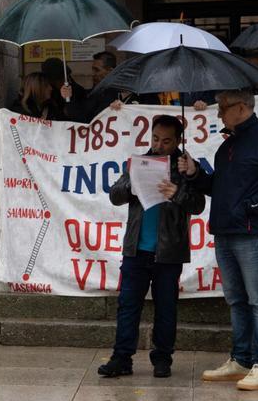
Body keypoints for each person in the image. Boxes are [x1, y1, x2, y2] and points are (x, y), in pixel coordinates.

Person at [177, 89, 258, 391]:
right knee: (236, 300)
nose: (219, 114)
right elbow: (218, 187)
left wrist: (248, 207)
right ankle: (240, 359)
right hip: (224, 231)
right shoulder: (226, 147)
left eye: (224, 108)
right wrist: (195, 172)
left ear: (241, 107)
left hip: (252, 233)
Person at [98, 115, 205, 379]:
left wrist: (177, 192)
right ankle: (121, 358)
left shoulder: (186, 168)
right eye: (156, 138)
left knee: (166, 308)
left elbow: (199, 205)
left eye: (167, 141)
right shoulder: (139, 163)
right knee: (128, 305)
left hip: (169, 252)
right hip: (136, 250)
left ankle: (162, 359)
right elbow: (114, 195)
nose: (159, 145)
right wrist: (130, 185)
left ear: (178, 141)